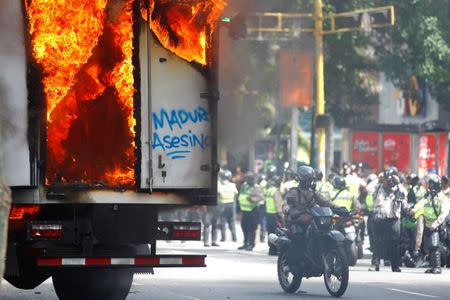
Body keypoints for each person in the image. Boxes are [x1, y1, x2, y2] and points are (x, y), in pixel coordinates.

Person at [283, 166, 340, 267]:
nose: (309, 182)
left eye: (310, 180)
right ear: (300, 180)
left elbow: (325, 202)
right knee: (298, 237)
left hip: (311, 220)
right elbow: (286, 205)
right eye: (307, 180)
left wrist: (338, 208)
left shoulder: (313, 192)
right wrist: (290, 210)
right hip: (297, 221)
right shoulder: (293, 192)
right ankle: (292, 263)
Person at [369, 167, 408, 272]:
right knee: (377, 243)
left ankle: (395, 266)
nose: (387, 182)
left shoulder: (399, 189)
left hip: (393, 220)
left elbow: (405, 195)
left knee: (394, 244)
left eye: (389, 179)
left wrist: (399, 183)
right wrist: (378, 179)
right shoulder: (378, 187)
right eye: (385, 179)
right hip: (379, 219)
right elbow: (368, 188)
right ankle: (375, 264)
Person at [412, 174, 450, 274]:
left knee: (434, 246)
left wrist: (436, 224)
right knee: (429, 247)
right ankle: (433, 267)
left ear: (437, 185)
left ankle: (437, 267)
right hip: (428, 225)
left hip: (436, 226)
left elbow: (443, 213)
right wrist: (413, 210)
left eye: (433, 185)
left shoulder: (442, 198)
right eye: (430, 185)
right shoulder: (428, 197)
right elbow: (421, 205)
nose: (431, 187)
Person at [238, 172, 264, 251]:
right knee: (244, 227)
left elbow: (260, 198)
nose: (249, 180)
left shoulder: (256, 187)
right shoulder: (244, 185)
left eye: (250, 179)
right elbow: (241, 194)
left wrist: (252, 199)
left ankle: (251, 244)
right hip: (244, 211)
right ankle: (245, 243)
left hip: (253, 211)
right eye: (248, 179)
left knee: (251, 228)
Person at [264, 175, 283, 255]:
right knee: (276, 232)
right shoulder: (276, 191)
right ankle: (274, 250)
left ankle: (271, 249)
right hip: (275, 215)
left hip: (268, 214)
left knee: (270, 232)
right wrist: (281, 215)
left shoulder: (269, 190)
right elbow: (278, 204)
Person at [218, 169, 238, 242]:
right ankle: (234, 237)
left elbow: (218, 193)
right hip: (231, 205)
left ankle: (223, 238)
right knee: (231, 221)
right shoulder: (232, 185)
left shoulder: (220, 185)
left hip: (223, 205)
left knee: (223, 221)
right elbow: (236, 193)